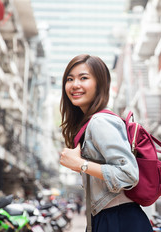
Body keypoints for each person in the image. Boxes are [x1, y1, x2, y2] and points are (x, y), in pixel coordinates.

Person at [59, 54, 153, 232]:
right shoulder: (89, 123)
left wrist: (81, 165)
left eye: (83, 78)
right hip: (110, 219)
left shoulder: (100, 121)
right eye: (69, 79)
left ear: (99, 84)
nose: (75, 84)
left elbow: (128, 174)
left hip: (120, 220)